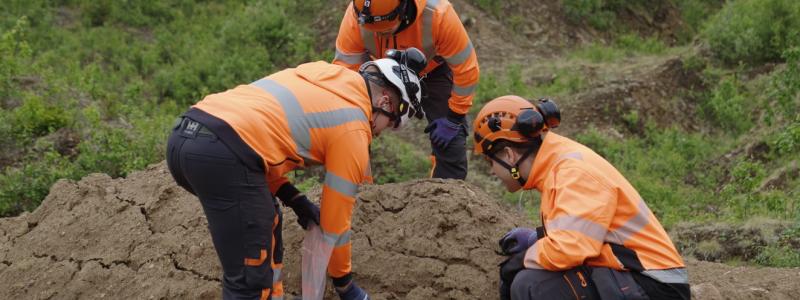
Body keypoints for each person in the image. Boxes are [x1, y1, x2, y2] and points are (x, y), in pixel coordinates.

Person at [165, 49, 427, 300]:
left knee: (269, 219)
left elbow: (258, 143)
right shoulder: (353, 128)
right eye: (389, 124)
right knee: (249, 284)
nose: (379, 133)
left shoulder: (321, 73)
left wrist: (294, 198)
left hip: (185, 137)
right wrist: (345, 284)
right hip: (222, 154)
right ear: (385, 102)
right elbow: (335, 223)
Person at [472, 95, 691, 299]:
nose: (492, 171)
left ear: (509, 155)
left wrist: (522, 259)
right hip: (637, 273)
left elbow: (570, 248)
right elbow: (582, 228)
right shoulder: (557, 164)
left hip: (656, 284)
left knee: (531, 285)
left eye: (491, 162)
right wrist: (537, 239)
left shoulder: (571, 172)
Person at [333, 0, 479, 180]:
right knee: (354, 125)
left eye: (385, 30)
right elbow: (346, 71)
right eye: (374, 31)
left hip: (433, 70)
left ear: (403, 9)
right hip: (380, 70)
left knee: (451, 142)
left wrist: (454, 117)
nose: (379, 34)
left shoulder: (439, 15)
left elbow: (466, 69)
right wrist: (357, 113)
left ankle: (447, 192)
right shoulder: (357, 15)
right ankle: (355, 185)